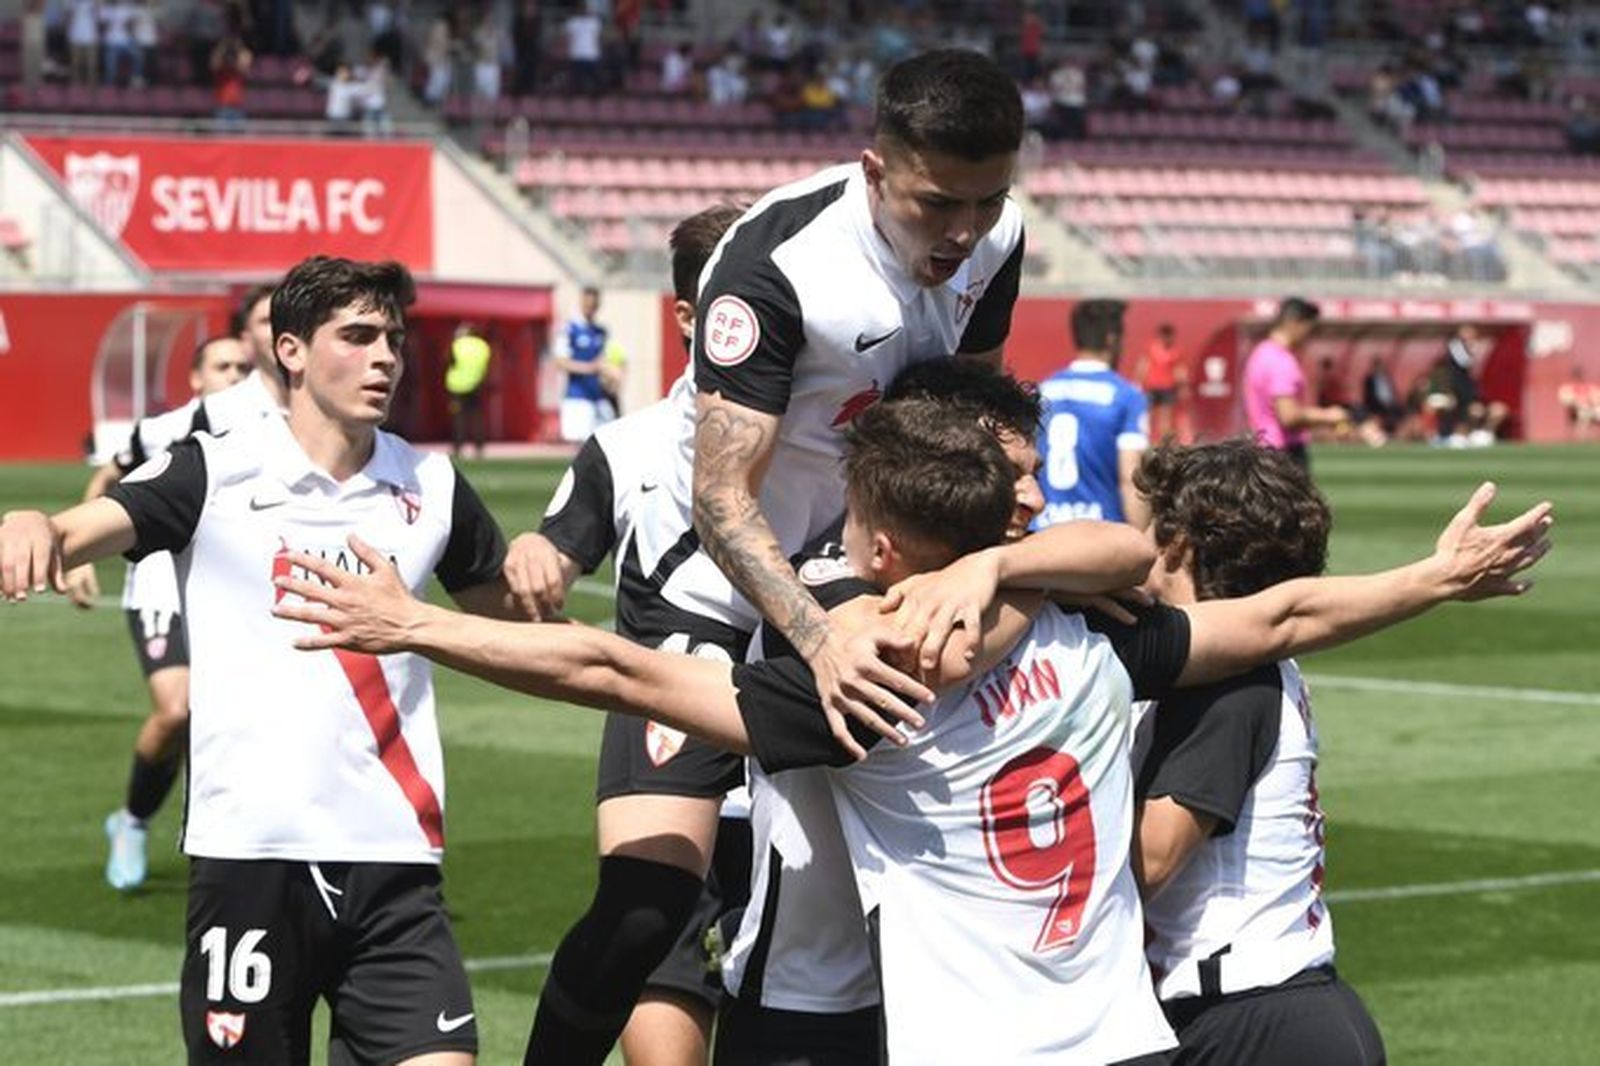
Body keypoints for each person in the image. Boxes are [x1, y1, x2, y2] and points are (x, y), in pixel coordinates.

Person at [270, 410, 1550, 1065]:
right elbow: (1276, 611)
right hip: (1123, 1043)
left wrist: (419, 626)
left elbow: (606, 661)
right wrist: (1431, 581)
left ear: (880, 550)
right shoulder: (1088, 636)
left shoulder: (857, 697)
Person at [522, 47, 1027, 1065]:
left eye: (986, 199)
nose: (964, 232)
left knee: (897, 888)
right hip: (715, 588)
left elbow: (974, 422)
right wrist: (815, 634)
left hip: (862, 570)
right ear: (875, 171)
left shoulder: (998, 231)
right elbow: (720, 498)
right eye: (937, 204)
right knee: (646, 902)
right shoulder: (773, 266)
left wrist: (995, 557)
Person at [0, 256, 528, 1065]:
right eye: (356, 336)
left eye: (391, 338)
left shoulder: (434, 483)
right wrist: (36, 524)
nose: (386, 356)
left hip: (394, 862)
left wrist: (539, 570)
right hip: (250, 858)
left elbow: (515, 626)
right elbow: (77, 529)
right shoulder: (215, 469)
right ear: (290, 350)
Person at [507, 202, 751, 1066]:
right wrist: (538, 551)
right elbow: (559, 545)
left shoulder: (831, 437)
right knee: (646, 921)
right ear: (689, 318)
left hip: (799, 757)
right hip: (672, 739)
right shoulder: (629, 445)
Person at [1132, 439, 1387, 1065]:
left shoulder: (1227, 683)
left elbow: (1154, 857)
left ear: (1180, 545)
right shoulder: (1251, 667)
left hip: (1254, 1022)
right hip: (1278, 1015)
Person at [69, 335, 253, 891]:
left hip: (237, 592)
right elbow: (110, 474)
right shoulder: (173, 426)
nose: (235, 373)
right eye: (223, 365)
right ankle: (131, 821)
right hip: (159, 586)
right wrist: (79, 553)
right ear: (196, 377)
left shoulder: (280, 428)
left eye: (242, 364)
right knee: (177, 710)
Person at [1036, 299, 1151, 528]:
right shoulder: (1127, 397)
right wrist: (1142, 541)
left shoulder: (1042, 391)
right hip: (1101, 532)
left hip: (1043, 531)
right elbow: (1130, 478)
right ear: (1112, 339)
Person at [1242, 297, 1349, 472]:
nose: (1310, 335)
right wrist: (1329, 416)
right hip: (1284, 453)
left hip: (1262, 449)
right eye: (1310, 328)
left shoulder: (1261, 353)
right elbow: (1289, 416)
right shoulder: (1282, 361)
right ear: (1295, 323)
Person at [553, 286, 613, 443]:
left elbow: (604, 361)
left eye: (594, 305)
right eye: (587, 304)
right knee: (579, 450)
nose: (590, 308)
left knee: (607, 443)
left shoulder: (601, 331)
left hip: (598, 397)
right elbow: (560, 362)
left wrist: (611, 376)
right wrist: (589, 368)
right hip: (577, 397)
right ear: (581, 302)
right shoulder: (570, 329)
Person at [1434, 324, 1509, 447]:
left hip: (1473, 394)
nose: (1470, 338)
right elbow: (1463, 363)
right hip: (1460, 394)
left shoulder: (1477, 351)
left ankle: (1480, 434)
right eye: (1467, 335)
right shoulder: (1455, 348)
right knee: (1472, 411)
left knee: (1495, 410)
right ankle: (1451, 436)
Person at [446, 322, 492, 459]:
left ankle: (458, 447)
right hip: (477, 384)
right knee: (477, 417)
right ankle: (479, 447)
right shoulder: (483, 346)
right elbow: (486, 365)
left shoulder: (457, 345)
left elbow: (449, 361)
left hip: (457, 385)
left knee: (459, 418)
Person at [1136, 322, 1187, 443]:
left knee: (1165, 419)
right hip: (1151, 387)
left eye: (1170, 336)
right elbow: (1143, 365)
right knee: (1147, 416)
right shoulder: (1151, 348)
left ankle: (1164, 445)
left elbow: (1179, 370)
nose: (1167, 339)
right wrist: (1138, 382)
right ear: (1160, 336)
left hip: (1167, 388)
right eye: (1165, 336)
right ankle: (1145, 442)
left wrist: (1183, 386)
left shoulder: (1176, 350)